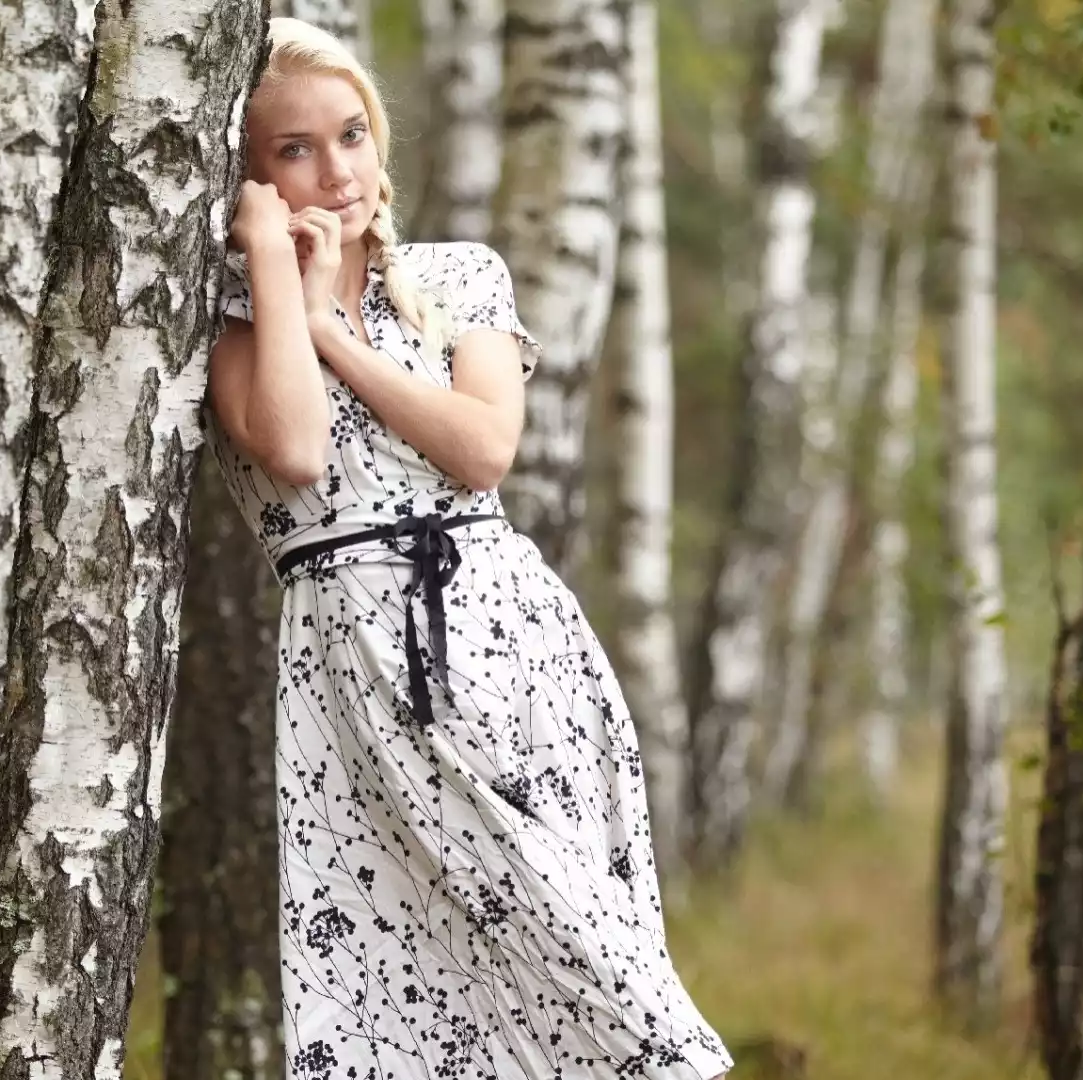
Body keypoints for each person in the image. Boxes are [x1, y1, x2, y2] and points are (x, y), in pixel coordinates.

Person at [204, 17, 735, 1080]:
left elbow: (484, 448)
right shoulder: (229, 326)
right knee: (413, 1006)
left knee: (590, 969)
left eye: (351, 134)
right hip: (353, 672)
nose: (338, 170)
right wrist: (274, 270)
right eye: (294, 150)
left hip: (506, 650)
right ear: (249, 176)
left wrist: (331, 331)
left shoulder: (459, 277)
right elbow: (298, 453)